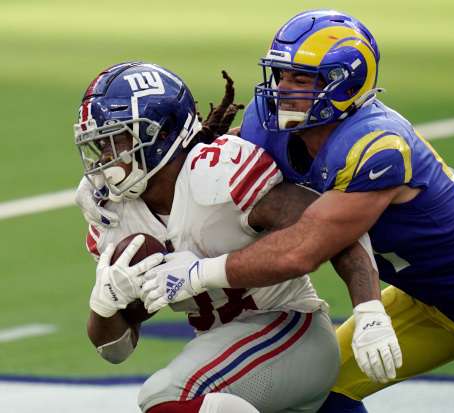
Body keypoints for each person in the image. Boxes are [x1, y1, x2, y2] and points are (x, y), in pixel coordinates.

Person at [136, 10, 454, 413]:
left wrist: (200, 273)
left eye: (301, 78)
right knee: (317, 391)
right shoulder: (271, 120)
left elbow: (304, 248)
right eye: (280, 74)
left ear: (344, 84)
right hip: (426, 301)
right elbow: (224, 187)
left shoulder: (377, 145)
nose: (283, 88)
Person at [74, 61, 400, 413]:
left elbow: (334, 228)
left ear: (163, 134)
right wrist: (104, 304)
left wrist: (368, 309)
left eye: (116, 140)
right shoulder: (111, 210)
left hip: (290, 329)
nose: (105, 158)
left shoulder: (218, 173)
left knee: (168, 397)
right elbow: (115, 350)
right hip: (230, 352)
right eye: (99, 144)